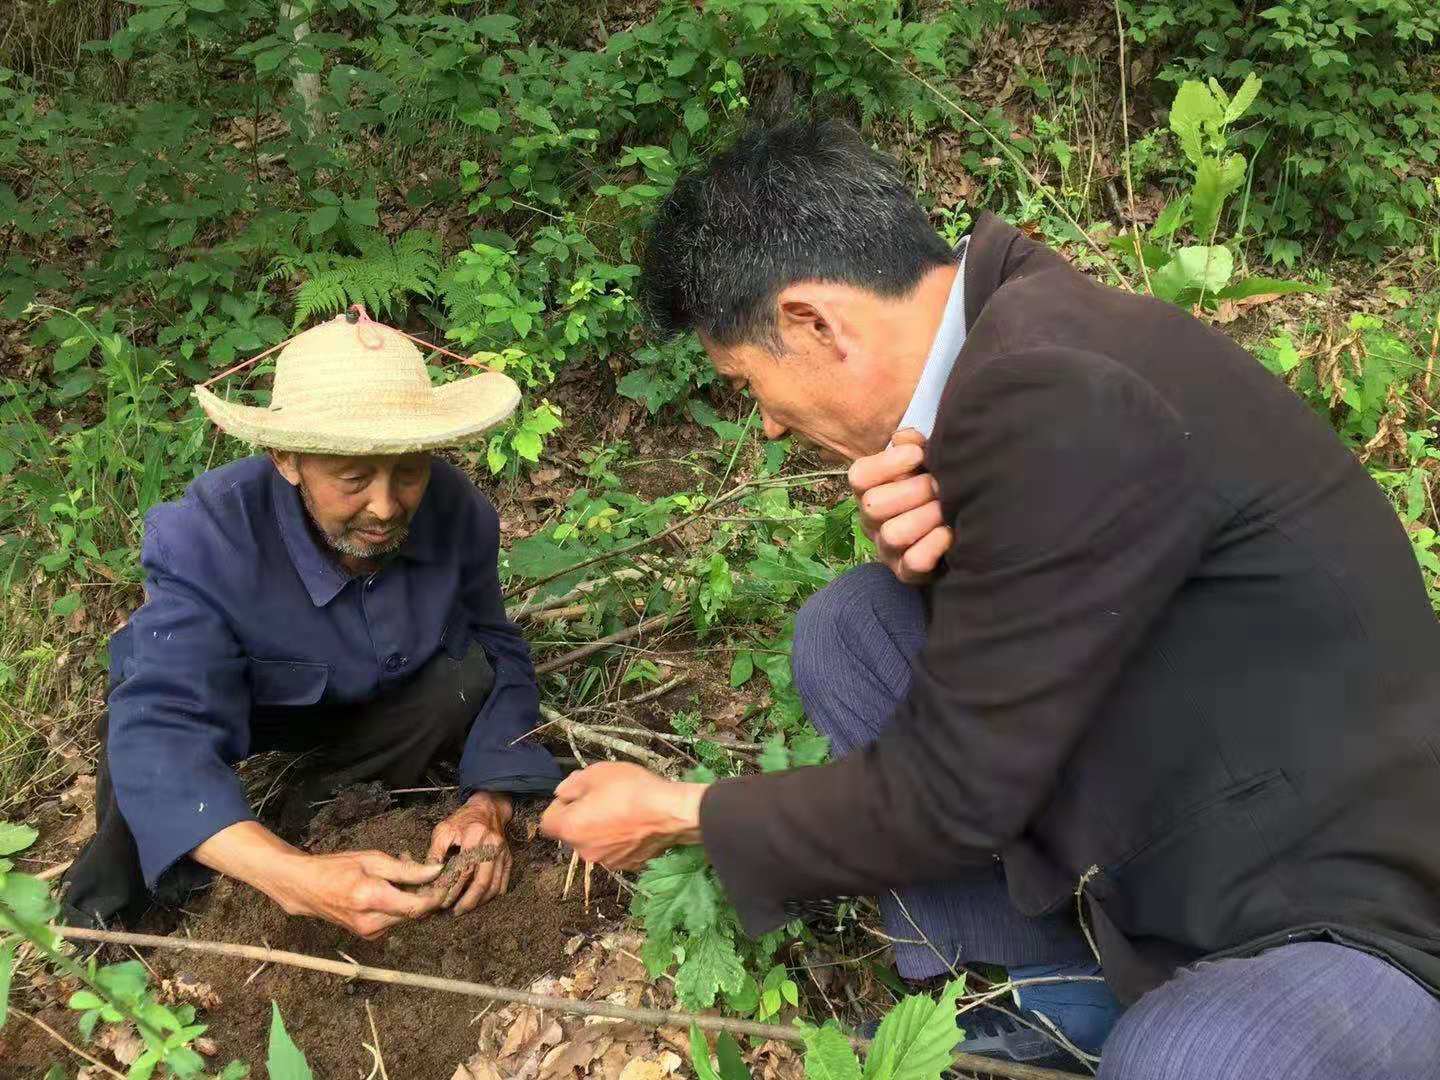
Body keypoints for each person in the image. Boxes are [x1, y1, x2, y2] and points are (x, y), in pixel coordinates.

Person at [541, 120, 1440, 1077]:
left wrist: (685, 809)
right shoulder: (1019, 334)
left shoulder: (1054, 386)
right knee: (858, 627)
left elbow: (953, 789)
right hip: (1198, 821)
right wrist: (947, 555)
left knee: (1194, 1058)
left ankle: (1158, 1020)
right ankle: (1034, 996)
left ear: (813, 323)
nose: (763, 425)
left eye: (747, 382)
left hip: (1349, 908)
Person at [62, 312, 564, 939]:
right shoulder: (206, 535)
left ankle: (313, 809)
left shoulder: (457, 513)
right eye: (353, 479)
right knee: (133, 730)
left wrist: (490, 800)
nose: (385, 506)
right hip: (244, 700)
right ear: (287, 459)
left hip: (370, 700)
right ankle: (106, 917)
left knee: (465, 677)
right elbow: (165, 725)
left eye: (408, 472)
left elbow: (497, 647)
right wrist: (293, 880)